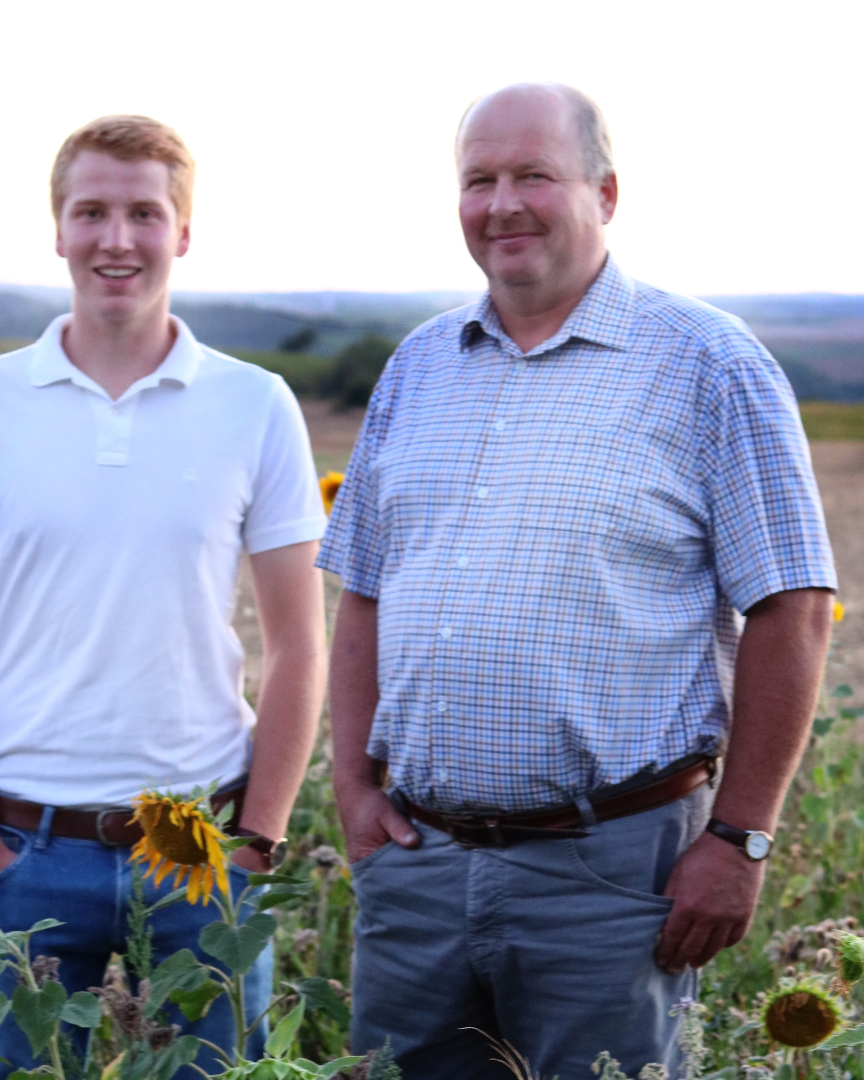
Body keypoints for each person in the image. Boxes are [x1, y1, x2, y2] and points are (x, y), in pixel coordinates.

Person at [317, 83, 837, 1080]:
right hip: (418, 870)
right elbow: (365, 591)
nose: (502, 203)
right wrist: (351, 787)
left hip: (612, 875)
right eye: (479, 180)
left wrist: (742, 839)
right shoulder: (419, 367)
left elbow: (794, 606)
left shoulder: (709, 365)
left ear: (605, 192)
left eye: (533, 176)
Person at [0, 115, 328, 1077]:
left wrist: (257, 840)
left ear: (183, 232)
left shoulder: (256, 405)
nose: (117, 239)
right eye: (91, 211)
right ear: (57, 229)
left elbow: (302, 643)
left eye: (145, 213)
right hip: (22, 850)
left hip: (202, 858)